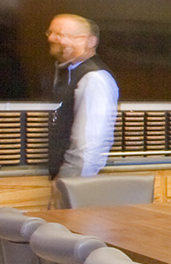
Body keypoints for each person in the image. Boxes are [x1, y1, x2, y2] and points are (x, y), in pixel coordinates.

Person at [46, 14, 118, 178]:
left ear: (88, 41)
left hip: (75, 185)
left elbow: (89, 147)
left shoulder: (94, 78)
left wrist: (69, 185)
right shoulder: (70, 73)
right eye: (50, 33)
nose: (51, 38)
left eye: (60, 34)